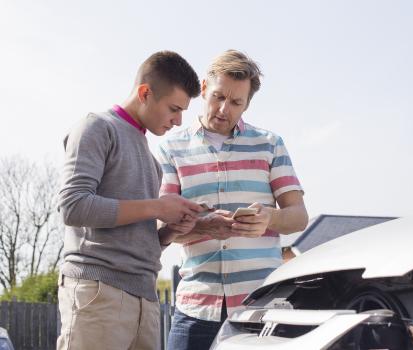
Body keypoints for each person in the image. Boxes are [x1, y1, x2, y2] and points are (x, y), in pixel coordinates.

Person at [158, 50, 309, 350]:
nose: (224, 109)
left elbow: (299, 216)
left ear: (247, 104)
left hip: (260, 306)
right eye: (217, 97)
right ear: (203, 89)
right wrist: (204, 227)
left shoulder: (270, 144)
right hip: (195, 307)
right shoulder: (170, 148)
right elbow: (164, 227)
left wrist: (270, 217)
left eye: (236, 102)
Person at [57, 51, 204, 350]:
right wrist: (159, 207)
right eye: (174, 109)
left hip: (145, 299)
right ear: (145, 93)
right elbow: (73, 206)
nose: (178, 121)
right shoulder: (96, 127)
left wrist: (170, 231)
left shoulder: (151, 160)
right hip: (99, 293)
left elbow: (136, 235)